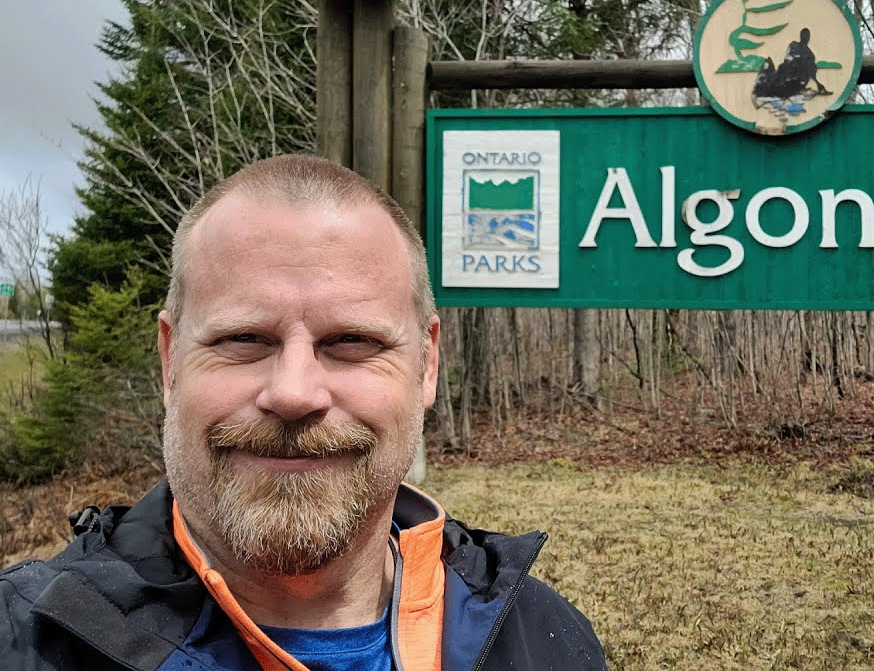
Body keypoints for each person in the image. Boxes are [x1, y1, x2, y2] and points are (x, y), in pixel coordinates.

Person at [0, 155, 606, 671]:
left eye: (352, 342)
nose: (293, 393)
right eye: (243, 339)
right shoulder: (24, 643)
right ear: (170, 361)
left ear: (426, 366)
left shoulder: (545, 639)